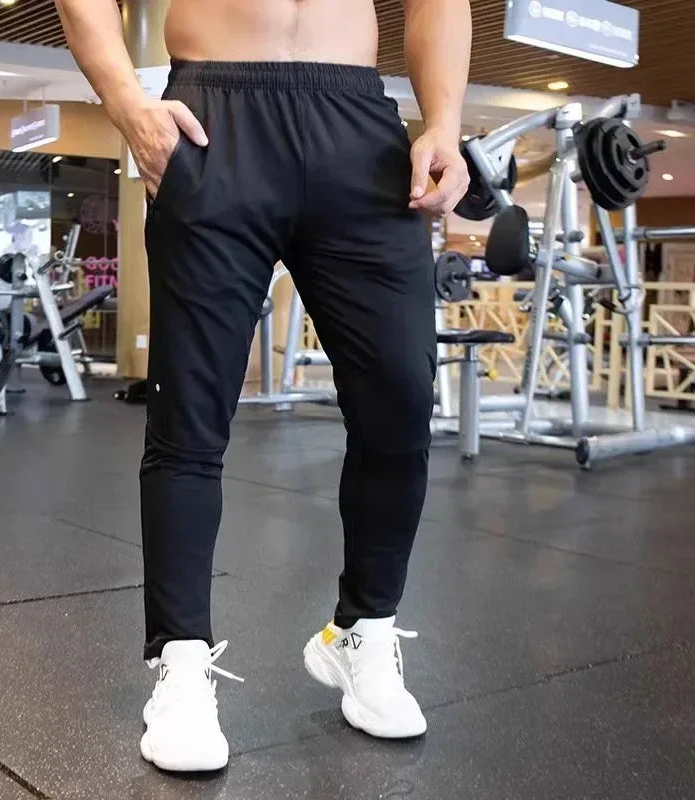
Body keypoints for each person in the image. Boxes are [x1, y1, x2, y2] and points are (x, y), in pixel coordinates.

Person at [56, 0, 471, 773]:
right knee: (190, 413)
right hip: (216, 116)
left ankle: (364, 634)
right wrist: (127, 105)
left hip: (359, 129)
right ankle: (180, 665)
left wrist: (442, 121)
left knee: (402, 405)